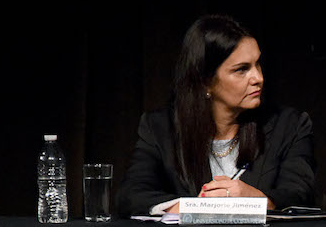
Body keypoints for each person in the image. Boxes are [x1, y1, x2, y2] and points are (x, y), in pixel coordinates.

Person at [117, 14, 316, 216]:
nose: (258, 78)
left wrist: (255, 199)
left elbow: (300, 194)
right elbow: (131, 194)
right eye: (242, 70)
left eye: (257, 64)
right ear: (205, 82)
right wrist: (191, 208)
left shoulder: (290, 125)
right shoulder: (159, 128)